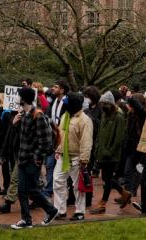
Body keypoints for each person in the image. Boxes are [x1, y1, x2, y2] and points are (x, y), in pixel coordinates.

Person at [10, 87, 58, 230]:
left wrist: (37, 157)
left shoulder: (38, 115)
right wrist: (15, 124)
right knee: (22, 191)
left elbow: (46, 141)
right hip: (23, 158)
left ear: (24, 98)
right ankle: (26, 220)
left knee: (32, 190)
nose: (16, 99)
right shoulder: (24, 115)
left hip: (32, 160)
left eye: (18, 97)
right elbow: (24, 138)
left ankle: (51, 210)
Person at [52, 92, 93, 221]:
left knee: (78, 187)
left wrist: (84, 160)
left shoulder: (85, 120)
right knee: (57, 181)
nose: (65, 104)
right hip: (62, 156)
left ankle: (80, 211)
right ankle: (60, 210)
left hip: (76, 158)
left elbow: (86, 141)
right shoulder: (65, 116)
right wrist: (57, 149)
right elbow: (60, 133)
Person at [89, 91, 126, 214]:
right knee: (105, 177)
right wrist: (98, 147)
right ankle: (124, 193)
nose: (102, 106)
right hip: (101, 152)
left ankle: (103, 203)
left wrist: (109, 151)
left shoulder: (119, 117)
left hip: (111, 155)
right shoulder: (104, 115)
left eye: (105, 103)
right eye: (102, 103)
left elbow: (119, 138)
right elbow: (100, 133)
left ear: (110, 103)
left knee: (108, 179)